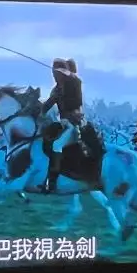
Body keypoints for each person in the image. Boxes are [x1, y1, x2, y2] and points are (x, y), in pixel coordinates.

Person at [40, 58, 85, 192]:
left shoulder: (74, 83)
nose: (54, 76)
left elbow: (77, 103)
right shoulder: (57, 89)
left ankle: (52, 182)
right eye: (53, 73)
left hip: (73, 123)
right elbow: (48, 103)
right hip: (63, 122)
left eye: (56, 73)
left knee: (57, 145)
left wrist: (66, 80)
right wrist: (41, 112)